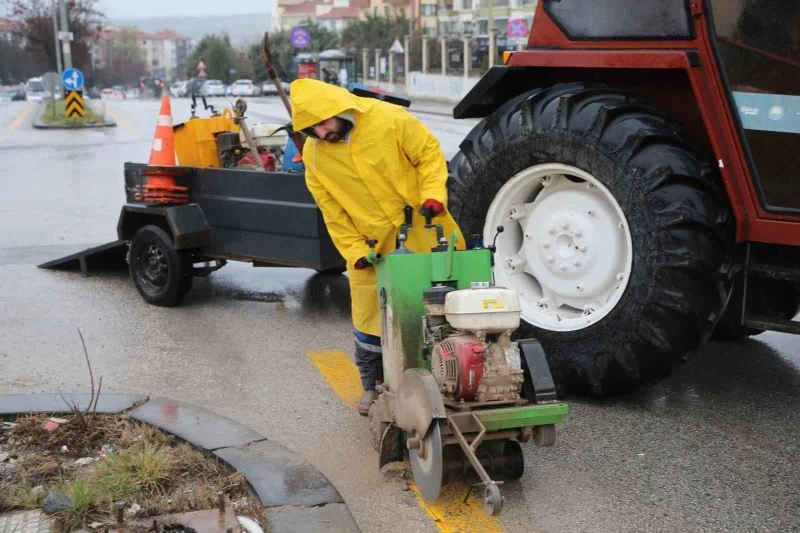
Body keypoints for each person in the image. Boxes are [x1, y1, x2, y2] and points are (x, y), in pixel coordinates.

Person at [290, 78, 464, 415]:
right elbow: (333, 212)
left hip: (427, 228)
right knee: (370, 318)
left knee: (445, 305)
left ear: (340, 108)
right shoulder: (314, 157)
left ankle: (451, 374)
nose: (323, 133)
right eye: (312, 130)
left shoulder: (389, 119)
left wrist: (433, 195)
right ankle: (370, 386)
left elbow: (428, 154)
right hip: (373, 248)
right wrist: (355, 252)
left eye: (324, 123)